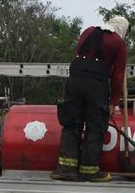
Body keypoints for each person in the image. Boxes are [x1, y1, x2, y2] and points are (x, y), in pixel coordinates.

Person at [51, 15, 130, 183]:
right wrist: (113, 102)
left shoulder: (88, 31)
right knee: (96, 126)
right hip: (97, 85)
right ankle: (89, 170)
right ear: (123, 28)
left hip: (74, 80)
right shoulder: (118, 43)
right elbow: (117, 75)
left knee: (71, 123)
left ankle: (66, 169)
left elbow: (79, 52)